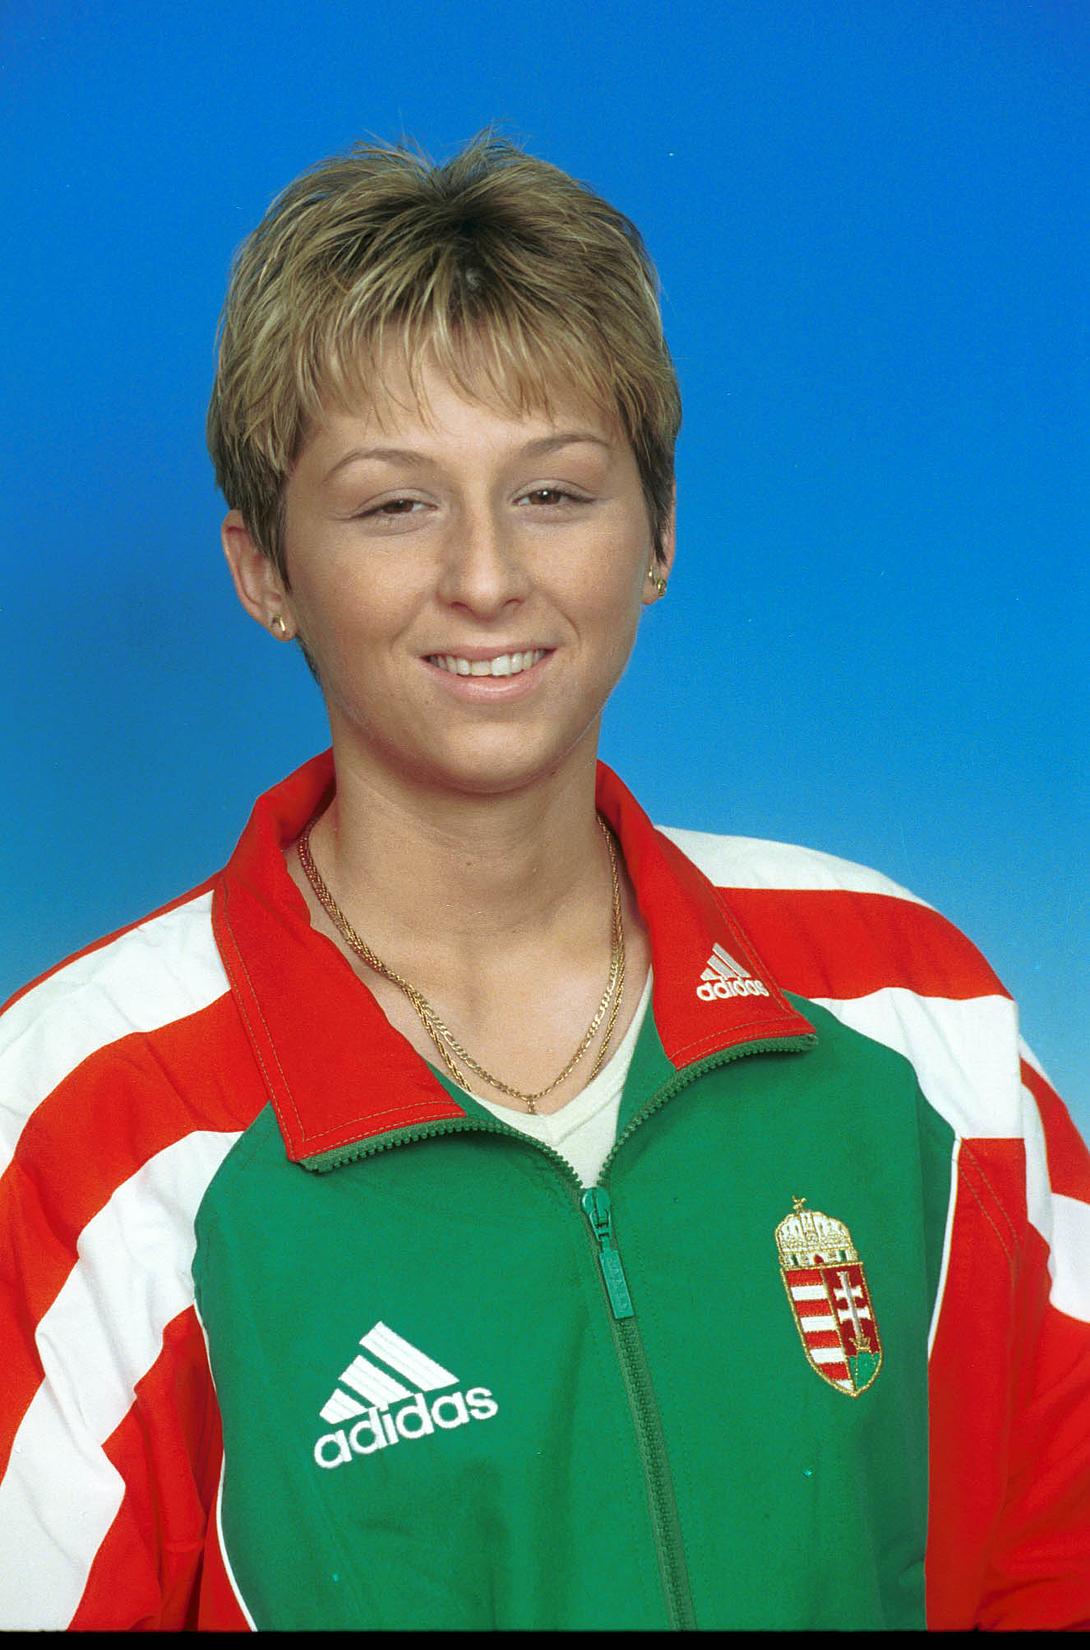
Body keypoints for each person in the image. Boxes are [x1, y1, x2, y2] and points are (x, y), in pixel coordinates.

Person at [1, 132, 1088, 1634]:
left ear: (660, 531)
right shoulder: (86, 1121)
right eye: (394, 505)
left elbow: (1057, 1543)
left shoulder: (914, 1006)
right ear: (264, 571)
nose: (486, 576)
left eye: (556, 493)